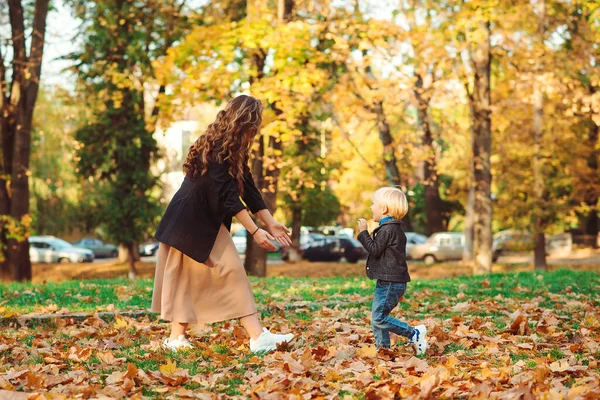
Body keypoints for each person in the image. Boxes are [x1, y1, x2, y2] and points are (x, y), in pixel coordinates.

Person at [151, 95, 294, 353]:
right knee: (232, 272)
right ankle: (257, 337)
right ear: (247, 122)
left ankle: (175, 338)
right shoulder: (217, 149)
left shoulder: (233, 148)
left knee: (189, 278)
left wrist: (270, 222)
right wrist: (254, 230)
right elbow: (227, 195)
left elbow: (247, 186)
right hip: (191, 220)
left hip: (198, 218)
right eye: (256, 124)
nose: (257, 129)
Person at [356, 187, 427, 355]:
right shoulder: (391, 229)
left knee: (379, 317)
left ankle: (413, 333)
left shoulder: (388, 230)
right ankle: (384, 350)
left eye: (373, 204)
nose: (371, 207)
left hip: (391, 282)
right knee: (377, 318)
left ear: (384, 208)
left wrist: (363, 233)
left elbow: (374, 250)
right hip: (389, 281)